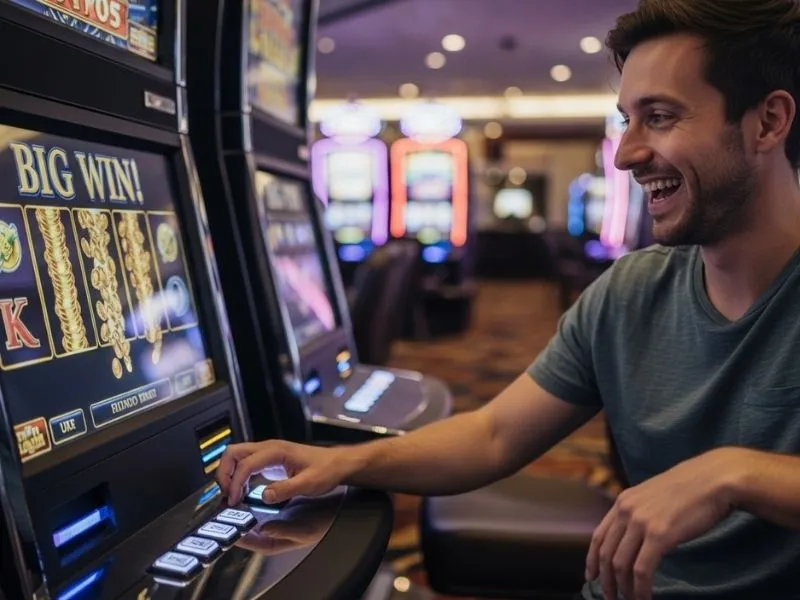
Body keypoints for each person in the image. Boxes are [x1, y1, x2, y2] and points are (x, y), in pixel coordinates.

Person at [218, 1, 800, 598]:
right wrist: (344, 461)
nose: (626, 153)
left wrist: (738, 474)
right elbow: (494, 433)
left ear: (768, 122)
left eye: (661, 116)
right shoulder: (630, 293)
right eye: (627, 119)